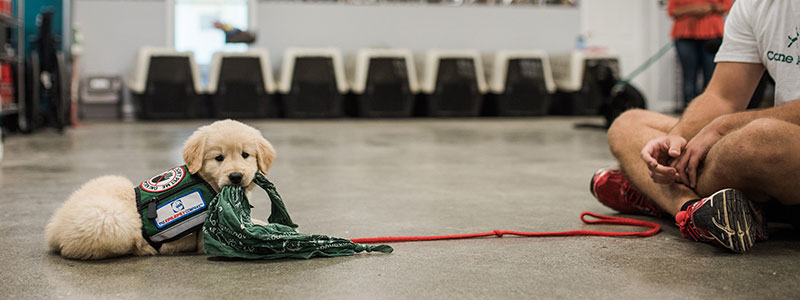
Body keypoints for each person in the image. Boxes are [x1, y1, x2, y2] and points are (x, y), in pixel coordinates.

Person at [590, 0, 800, 254]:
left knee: (759, 139)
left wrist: (721, 128)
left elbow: (736, 126)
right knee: (627, 123)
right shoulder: (755, 5)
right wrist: (675, 142)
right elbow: (723, 96)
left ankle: (654, 195)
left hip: (781, 148)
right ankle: (692, 210)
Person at [668, 0, 732, 112]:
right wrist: (693, 9)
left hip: (712, 35)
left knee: (711, 77)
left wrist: (711, 7)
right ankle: (688, 112)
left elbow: (727, 6)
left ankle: (709, 111)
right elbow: (672, 10)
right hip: (685, 35)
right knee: (689, 77)